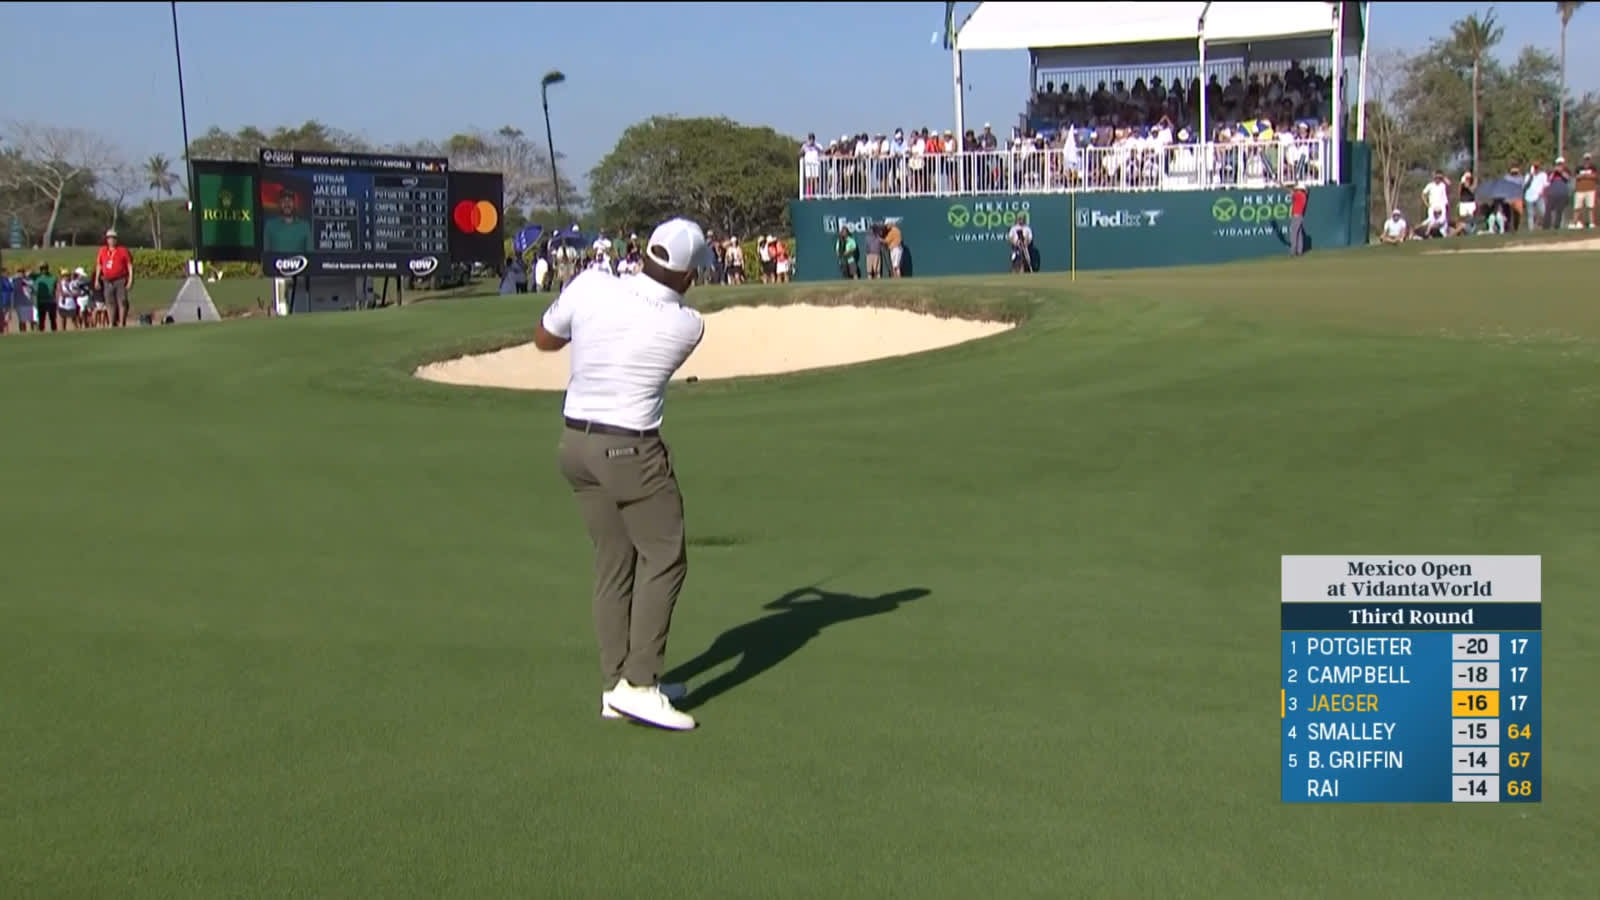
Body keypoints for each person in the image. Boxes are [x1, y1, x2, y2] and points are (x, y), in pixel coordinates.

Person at [533, 216, 713, 732]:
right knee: (665, 557)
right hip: (631, 452)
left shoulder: (592, 283)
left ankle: (616, 686)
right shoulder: (688, 325)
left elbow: (545, 340)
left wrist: (583, 308)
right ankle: (640, 685)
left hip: (575, 445)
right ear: (686, 275)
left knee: (614, 561)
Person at [94, 228, 135, 328]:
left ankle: (121, 322)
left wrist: (130, 280)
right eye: (109, 238)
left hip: (120, 279)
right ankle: (111, 323)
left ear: (116, 239)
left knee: (122, 301)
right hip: (107, 280)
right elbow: (99, 265)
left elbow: (129, 265)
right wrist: (97, 279)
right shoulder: (103, 250)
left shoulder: (122, 250)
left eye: (113, 238)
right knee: (109, 302)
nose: (111, 240)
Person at [263, 189, 314, 253]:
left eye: (290, 201)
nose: (287, 204)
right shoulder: (270, 225)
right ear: (280, 204)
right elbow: (266, 254)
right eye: (284, 201)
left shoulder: (305, 226)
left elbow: (310, 254)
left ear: (294, 204)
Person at [33, 263, 59, 332]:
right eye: (42, 268)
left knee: (53, 319)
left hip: (51, 301)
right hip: (41, 301)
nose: (44, 270)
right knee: (41, 320)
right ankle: (41, 334)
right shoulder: (36, 277)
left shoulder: (53, 277)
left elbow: (56, 289)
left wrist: (57, 299)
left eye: (45, 268)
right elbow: (28, 274)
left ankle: (54, 333)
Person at [1287, 182, 1309, 257]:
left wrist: (1291, 191)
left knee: (1293, 234)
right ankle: (1299, 251)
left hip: (1296, 216)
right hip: (1300, 216)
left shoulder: (1299, 194)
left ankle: (1293, 251)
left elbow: (1292, 194)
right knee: (1299, 234)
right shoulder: (1303, 195)